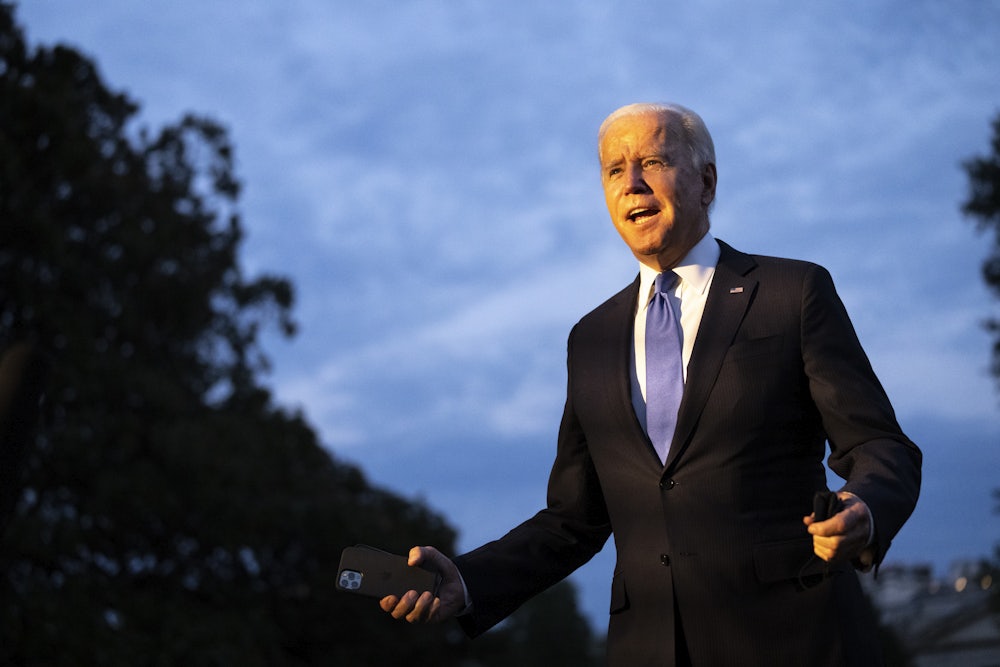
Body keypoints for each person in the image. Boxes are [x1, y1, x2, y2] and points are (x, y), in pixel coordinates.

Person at [379, 102, 921, 666]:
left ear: (706, 182)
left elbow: (879, 444)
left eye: (653, 162)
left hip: (795, 639)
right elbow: (574, 517)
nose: (632, 183)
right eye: (614, 170)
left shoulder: (792, 292)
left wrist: (864, 506)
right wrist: (469, 580)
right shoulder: (590, 338)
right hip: (650, 647)